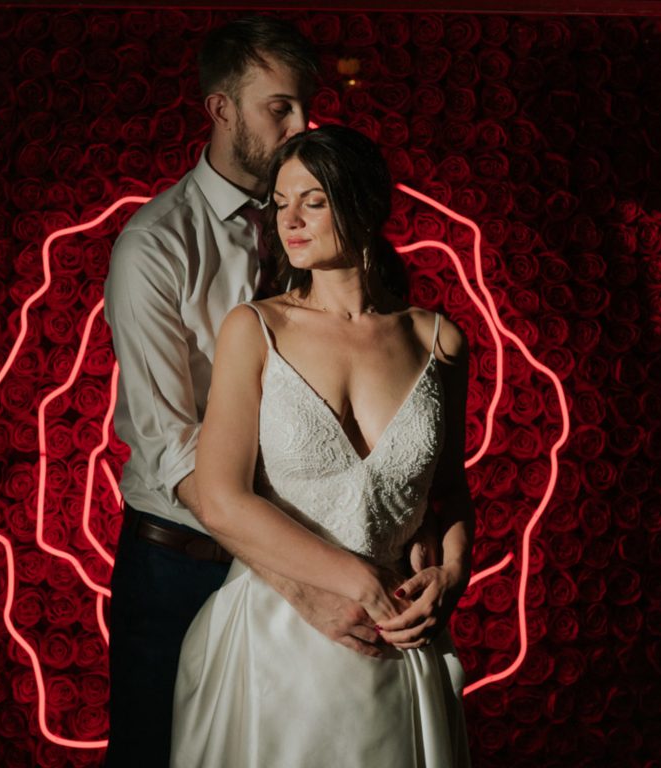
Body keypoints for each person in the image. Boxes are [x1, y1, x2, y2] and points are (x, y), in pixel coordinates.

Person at [102, 18, 401, 767]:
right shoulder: (155, 247)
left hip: (315, 551)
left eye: (306, 107)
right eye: (280, 108)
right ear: (221, 109)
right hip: (183, 562)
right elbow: (176, 451)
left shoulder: (324, 236)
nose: (303, 125)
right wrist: (299, 583)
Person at [172, 125, 473, 767]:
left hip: (395, 634)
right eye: (280, 203)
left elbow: (450, 495)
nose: (291, 220)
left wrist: (451, 574)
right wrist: (354, 580)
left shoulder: (437, 339)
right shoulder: (255, 329)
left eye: (312, 200)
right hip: (278, 632)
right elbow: (221, 499)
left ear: (362, 202)